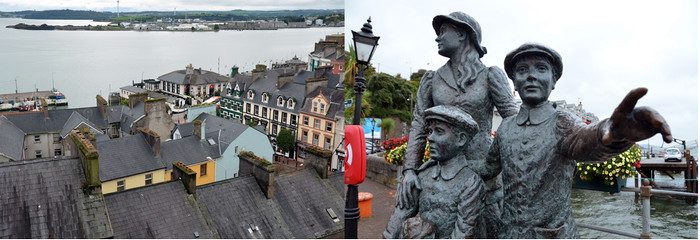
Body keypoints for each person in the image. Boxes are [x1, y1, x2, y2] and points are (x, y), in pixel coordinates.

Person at [479, 43, 672, 238]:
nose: (531, 75)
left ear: (554, 81)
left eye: (541, 69)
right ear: (514, 82)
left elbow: (585, 139)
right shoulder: (505, 127)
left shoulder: (561, 121)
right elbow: (487, 169)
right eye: (522, 70)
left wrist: (617, 131)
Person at [397, 13, 519, 236]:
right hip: (443, 178)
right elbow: (418, 124)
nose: (437, 38)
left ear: (463, 34)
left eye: (443, 31)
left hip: (485, 178)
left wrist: (491, 164)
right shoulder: (432, 79)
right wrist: (410, 171)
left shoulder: (491, 75)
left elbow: (512, 122)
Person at [384, 105, 485, 239]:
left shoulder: (470, 183)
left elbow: (463, 235)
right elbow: (398, 218)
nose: (430, 138)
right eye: (430, 131)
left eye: (439, 131)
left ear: (461, 139)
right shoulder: (422, 175)